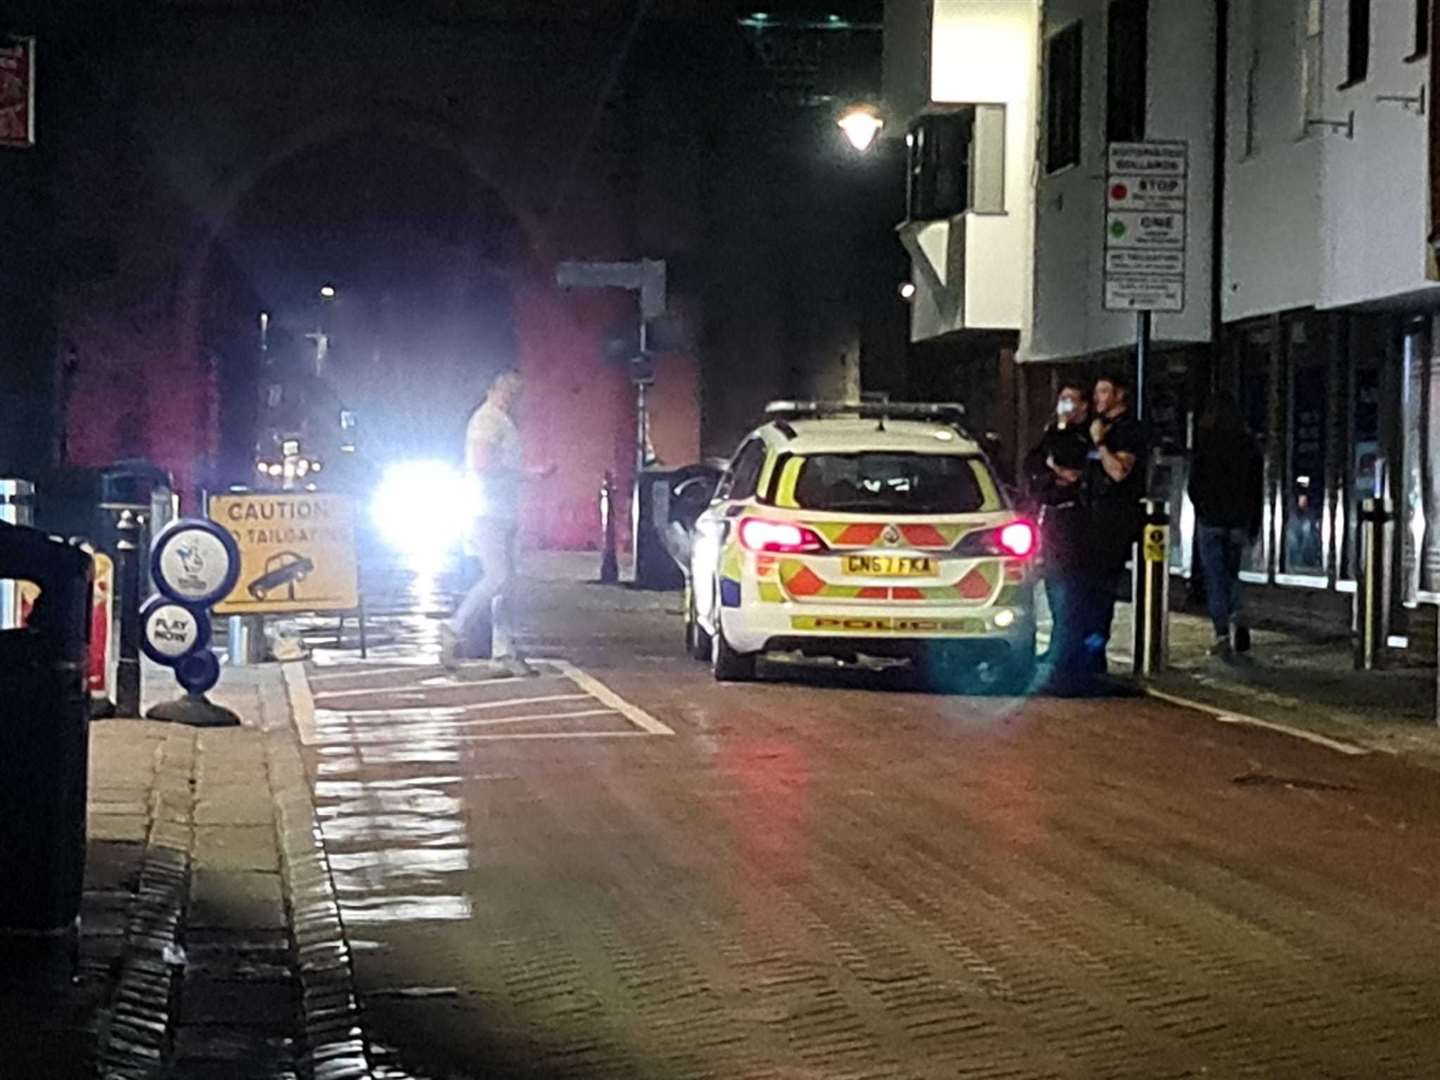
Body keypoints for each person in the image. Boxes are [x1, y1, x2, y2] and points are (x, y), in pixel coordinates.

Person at [441, 370, 553, 675]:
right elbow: (482, 463)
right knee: (498, 577)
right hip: (487, 511)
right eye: (509, 389)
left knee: (506, 585)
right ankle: (455, 627)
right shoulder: (487, 420)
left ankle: (504, 651)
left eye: (517, 390)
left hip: (502, 510)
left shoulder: (501, 420)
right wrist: (529, 474)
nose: (514, 396)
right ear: (493, 388)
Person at [1023, 382, 1093, 678]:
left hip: (1074, 521)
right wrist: (1053, 474)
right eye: (1062, 399)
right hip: (1050, 518)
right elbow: (1033, 466)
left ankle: (1067, 651)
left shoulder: (1086, 436)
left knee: (1068, 588)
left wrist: (1060, 472)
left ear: (1084, 406)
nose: (1065, 405)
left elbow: (1079, 476)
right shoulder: (1052, 433)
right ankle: (1058, 646)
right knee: (1053, 586)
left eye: (1071, 400)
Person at [1080, 372, 1147, 676]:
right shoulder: (1098, 426)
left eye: (1104, 391)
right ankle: (1083, 651)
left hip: (1114, 522)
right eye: (1097, 392)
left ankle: (1095, 655)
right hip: (1091, 522)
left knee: (1102, 592)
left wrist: (1101, 443)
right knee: (1086, 591)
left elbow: (1120, 472)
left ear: (1120, 394)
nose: (1098, 399)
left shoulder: (1128, 430)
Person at [1188, 393, 1263, 656]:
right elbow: (1256, 487)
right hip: (1238, 520)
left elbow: (1194, 484)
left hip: (1211, 520)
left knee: (1215, 578)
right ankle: (1237, 614)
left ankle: (1222, 633)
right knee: (1232, 574)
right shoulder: (1248, 444)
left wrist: (1203, 509)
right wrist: (1252, 521)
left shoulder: (1206, 442)